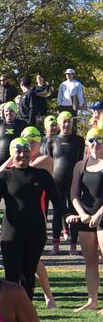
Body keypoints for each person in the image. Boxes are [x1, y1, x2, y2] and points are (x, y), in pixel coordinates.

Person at [0, 139, 56, 299]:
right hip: (11, 232)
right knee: (12, 274)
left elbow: (57, 200)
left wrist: (68, 215)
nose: (23, 154)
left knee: (29, 275)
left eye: (26, 151)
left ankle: (25, 309)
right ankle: (10, 310)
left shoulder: (42, 175)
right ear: (11, 153)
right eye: (18, 151)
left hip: (36, 230)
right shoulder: (3, 176)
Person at [69, 129, 103, 310]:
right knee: (90, 261)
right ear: (87, 144)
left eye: (99, 140)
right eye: (92, 140)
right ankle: (92, 300)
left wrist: (99, 214)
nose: (95, 144)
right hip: (87, 217)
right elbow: (74, 194)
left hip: (101, 217)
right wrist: (82, 214)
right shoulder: (80, 165)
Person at [47, 110, 85, 251]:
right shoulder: (53, 140)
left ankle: (73, 245)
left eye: (69, 121)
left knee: (74, 211)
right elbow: (49, 161)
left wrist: (81, 179)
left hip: (73, 180)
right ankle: (55, 244)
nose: (67, 124)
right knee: (58, 211)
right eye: (64, 121)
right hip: (56, 181)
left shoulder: (78, 140)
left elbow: (80, 161)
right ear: (58, 123)